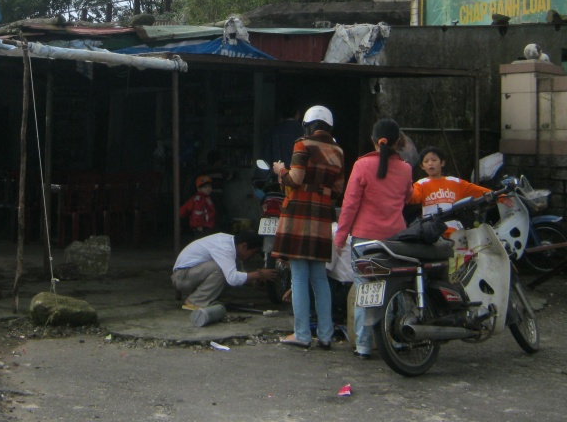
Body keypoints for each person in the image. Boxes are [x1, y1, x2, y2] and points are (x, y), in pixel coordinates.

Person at [334, 118, 414, 359]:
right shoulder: (406, 168)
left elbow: (349, 205)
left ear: (373, 140)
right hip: (395, 239)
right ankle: (395, 341)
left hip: (364, 239)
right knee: (393, 289)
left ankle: (364, 345)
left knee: (364, 290)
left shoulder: (361, 166)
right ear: (399, 141)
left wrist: (339, 239)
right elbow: (407, 197)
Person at [271, 105, 345, 349]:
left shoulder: (302, 145)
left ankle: (302, 334)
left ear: (308, 125)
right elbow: (337, 191)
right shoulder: (338, 151)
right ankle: (325, 335)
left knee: (299, 276)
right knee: (319, 278)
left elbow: (296, 179)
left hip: (299, 214)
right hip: (321, 217)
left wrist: (280, 171)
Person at [172, 230, 276, 310]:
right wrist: (259, 274)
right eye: (253, 253)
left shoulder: (231, 246)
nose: (252, 257)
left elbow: (240, 276)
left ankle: (206, 299)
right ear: (244, 246)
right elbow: (233, 279)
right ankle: (195, 301)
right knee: (222, 270)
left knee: (229, 269)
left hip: (191, 274)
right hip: (182, 276)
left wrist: (254, 283)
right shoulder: (225, 247)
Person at [409, 146, 490, 235]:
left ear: (442, 162)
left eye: (434, 160)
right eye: (426, 161)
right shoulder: (420, 184)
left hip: (456, 232)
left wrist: (500, 197)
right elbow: (413, 197)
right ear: (422, 166)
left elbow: (479, 191)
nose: (430, 163)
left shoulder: (455, 182)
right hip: (433, 232)